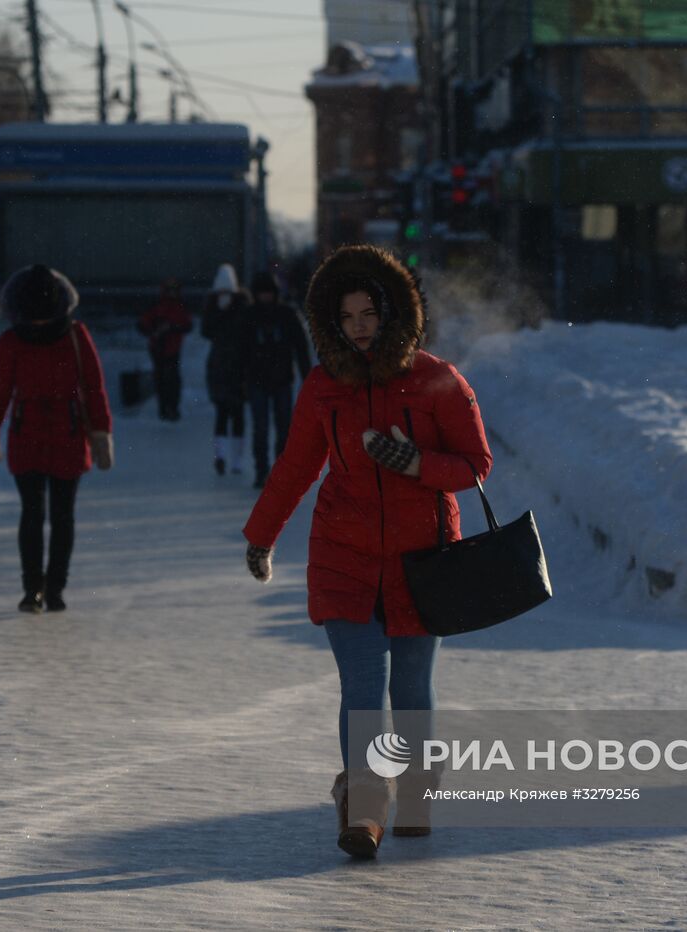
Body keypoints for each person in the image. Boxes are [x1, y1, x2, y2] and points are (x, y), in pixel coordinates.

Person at [241, 245, 492, 858]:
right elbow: (297, 465)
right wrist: (262, 533)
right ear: (331, 321)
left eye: (368, 312)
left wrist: (415, 464)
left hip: (421, 559)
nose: (358, 325)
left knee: (410, 686)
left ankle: (415, 795)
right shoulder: (325, 387)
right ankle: (364, 805)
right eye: (347, 314)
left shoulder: (437, 379)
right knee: (362, 681)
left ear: (392, 313)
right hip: (343, 554)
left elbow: (475, 465)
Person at [0, 264, 113, 614]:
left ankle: (56, 588)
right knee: (33, 514)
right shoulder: (11, 342)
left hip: (68, 434)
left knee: (63, 516)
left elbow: (94, 387)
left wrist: (101, 433)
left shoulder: (75, 336)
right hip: (28, 434)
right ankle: (32, 588)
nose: (38, 325)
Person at [242, 270, 312, 488]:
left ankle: (281, 472)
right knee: (260, 428)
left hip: (282, 379)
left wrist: (307, 377)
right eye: (262, 293)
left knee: (284, 428)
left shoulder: (286, 315)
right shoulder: (249, 316)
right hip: (257, 380)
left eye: (268, 293)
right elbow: (239, 350)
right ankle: (262, 470)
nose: (265, 297)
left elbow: (300, 347)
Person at [201, 263, 251, 475]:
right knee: (223, 412)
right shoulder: (214, 306)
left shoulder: (242, 307)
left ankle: (236, 459)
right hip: (221, 366)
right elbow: (206, 331)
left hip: (236, 365)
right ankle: (221, 456)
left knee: (236, 413)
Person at [138, 277, 193, 421]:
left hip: (173, 348)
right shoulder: (157, 305)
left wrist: (171, 328)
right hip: (158, 347)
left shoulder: (180, 306)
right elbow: (143, 324)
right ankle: (163, 409)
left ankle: (172, 408)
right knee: (161, 378)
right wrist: (155, 330)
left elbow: (187, 325)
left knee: (172, 379)